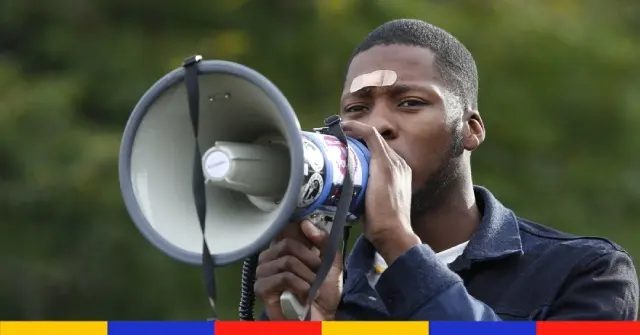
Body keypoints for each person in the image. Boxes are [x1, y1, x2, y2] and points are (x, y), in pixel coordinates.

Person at [253, 18, 639, 321]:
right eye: (357, 109)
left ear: (470, 130)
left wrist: (399, 246)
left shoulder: (585, 272)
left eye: (409, 103)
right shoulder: (327, 288)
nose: (377, 126)